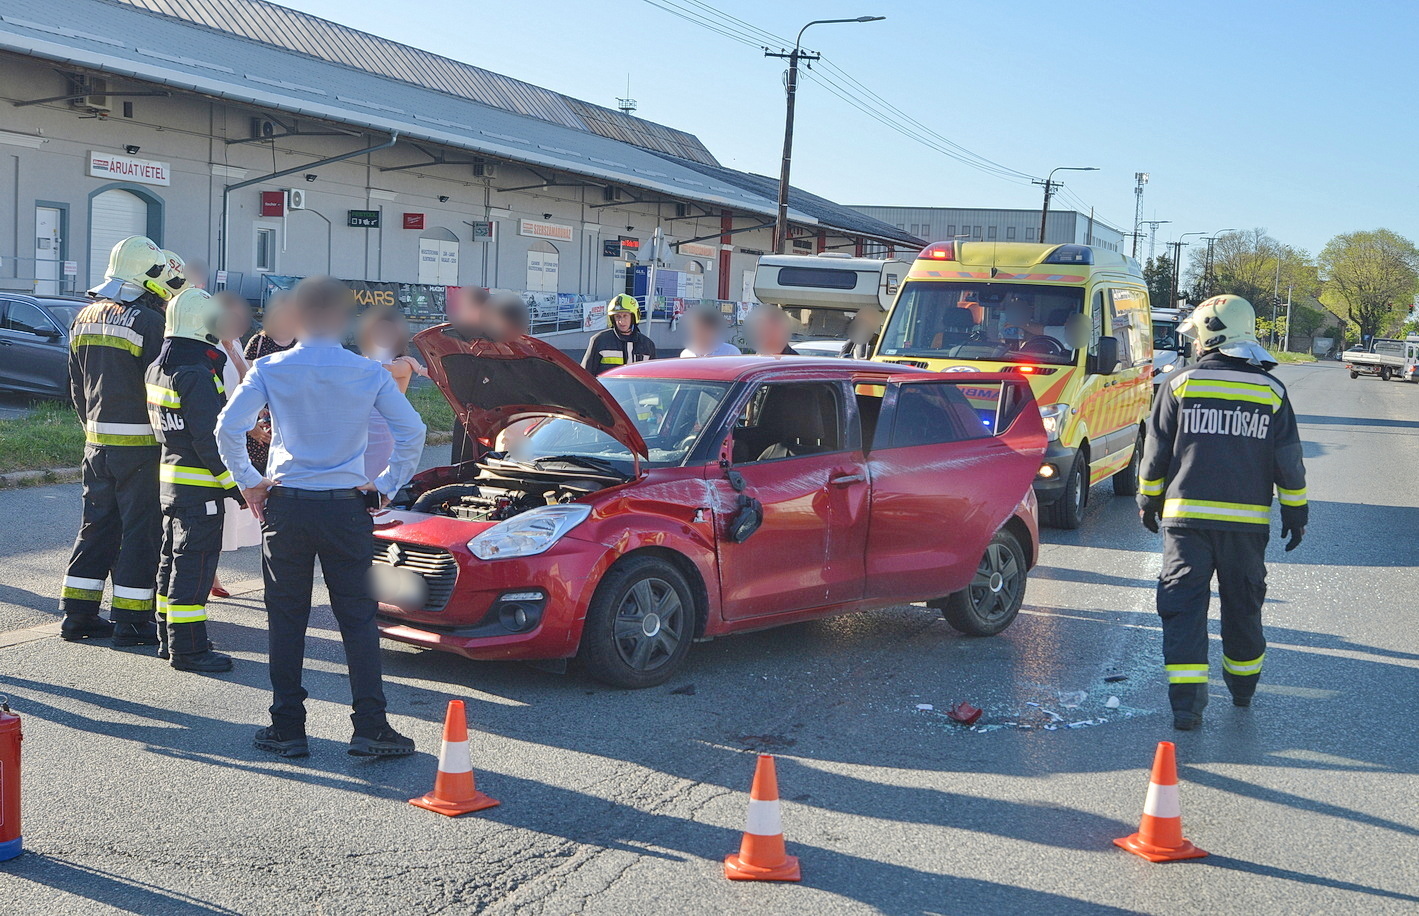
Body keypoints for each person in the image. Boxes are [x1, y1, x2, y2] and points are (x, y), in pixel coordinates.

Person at [216, 276, 426, 759]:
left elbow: (228, 426)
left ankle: (287, 728)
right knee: (357, 618)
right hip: (345, 507)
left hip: (287, 504)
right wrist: (385, 484)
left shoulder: (270, 367)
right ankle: (371, 727)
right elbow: (412, 431)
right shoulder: (366, 372)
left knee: (287, 619)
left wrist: (249, 481)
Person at [1137, 294, 1308, 731]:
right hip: (1246, 529)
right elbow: (1287, 460)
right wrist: (1295, 511)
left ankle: (1187, 707)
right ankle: (1243, 690)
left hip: (1186, 526)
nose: (1194, 343)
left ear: (1212, 334)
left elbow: (1154, 452)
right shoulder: (1270, 390)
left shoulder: (1179, 383)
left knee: (1182, 608)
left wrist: (1146, 499)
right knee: (1243, 607)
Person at [59, 236, 171, 645]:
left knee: (97, 527)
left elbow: (74, 384)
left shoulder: (82, 316)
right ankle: (131, 622)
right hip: (141, 447)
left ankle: (78, 616)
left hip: (96, 443)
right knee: (140, 532)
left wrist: (92, 428)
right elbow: (162, 389)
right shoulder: (149, 322)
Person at [145, 288, 243, 673]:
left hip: (170, 483)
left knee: (171, 562)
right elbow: (208, 439)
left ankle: (167, 638)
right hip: (199, 487)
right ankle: (189, 649)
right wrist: (234, 485)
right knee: (195, 568)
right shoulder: (196, 374)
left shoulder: (160, 367)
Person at [210, 292, 263, 599]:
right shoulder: (208, 346)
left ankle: (210, 570)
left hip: (234, 434)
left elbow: (248, 386)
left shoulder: (235, 345)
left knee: (228, 509)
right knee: (214, 506)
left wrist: (233, 352)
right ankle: (207, 573)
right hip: (215, 433)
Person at [356, 305, 426, 483]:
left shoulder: (403, 364)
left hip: (386, 426)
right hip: (363, 423)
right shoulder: (366, 360)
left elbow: (381, 369)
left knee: (378, 473)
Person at [242, 291, 297, 475]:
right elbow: (246, 380)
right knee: (258, 468)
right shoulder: (258, 342)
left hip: (291, 419)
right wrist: (255, 412)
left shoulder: (302, 344)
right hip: (260, 417)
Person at [447, 286, 490, 464]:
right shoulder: (457, 335)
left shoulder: (498, 337)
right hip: (465, 418)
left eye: (465, 308)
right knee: (459, 469)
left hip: (491, 421)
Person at [582, 294, 656, 374]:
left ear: (634, 317)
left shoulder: (647, 345)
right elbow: (585, 375)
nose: (621, 321)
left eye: (625, 316)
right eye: (617, 316)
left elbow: (653, 377)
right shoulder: (599, 341)